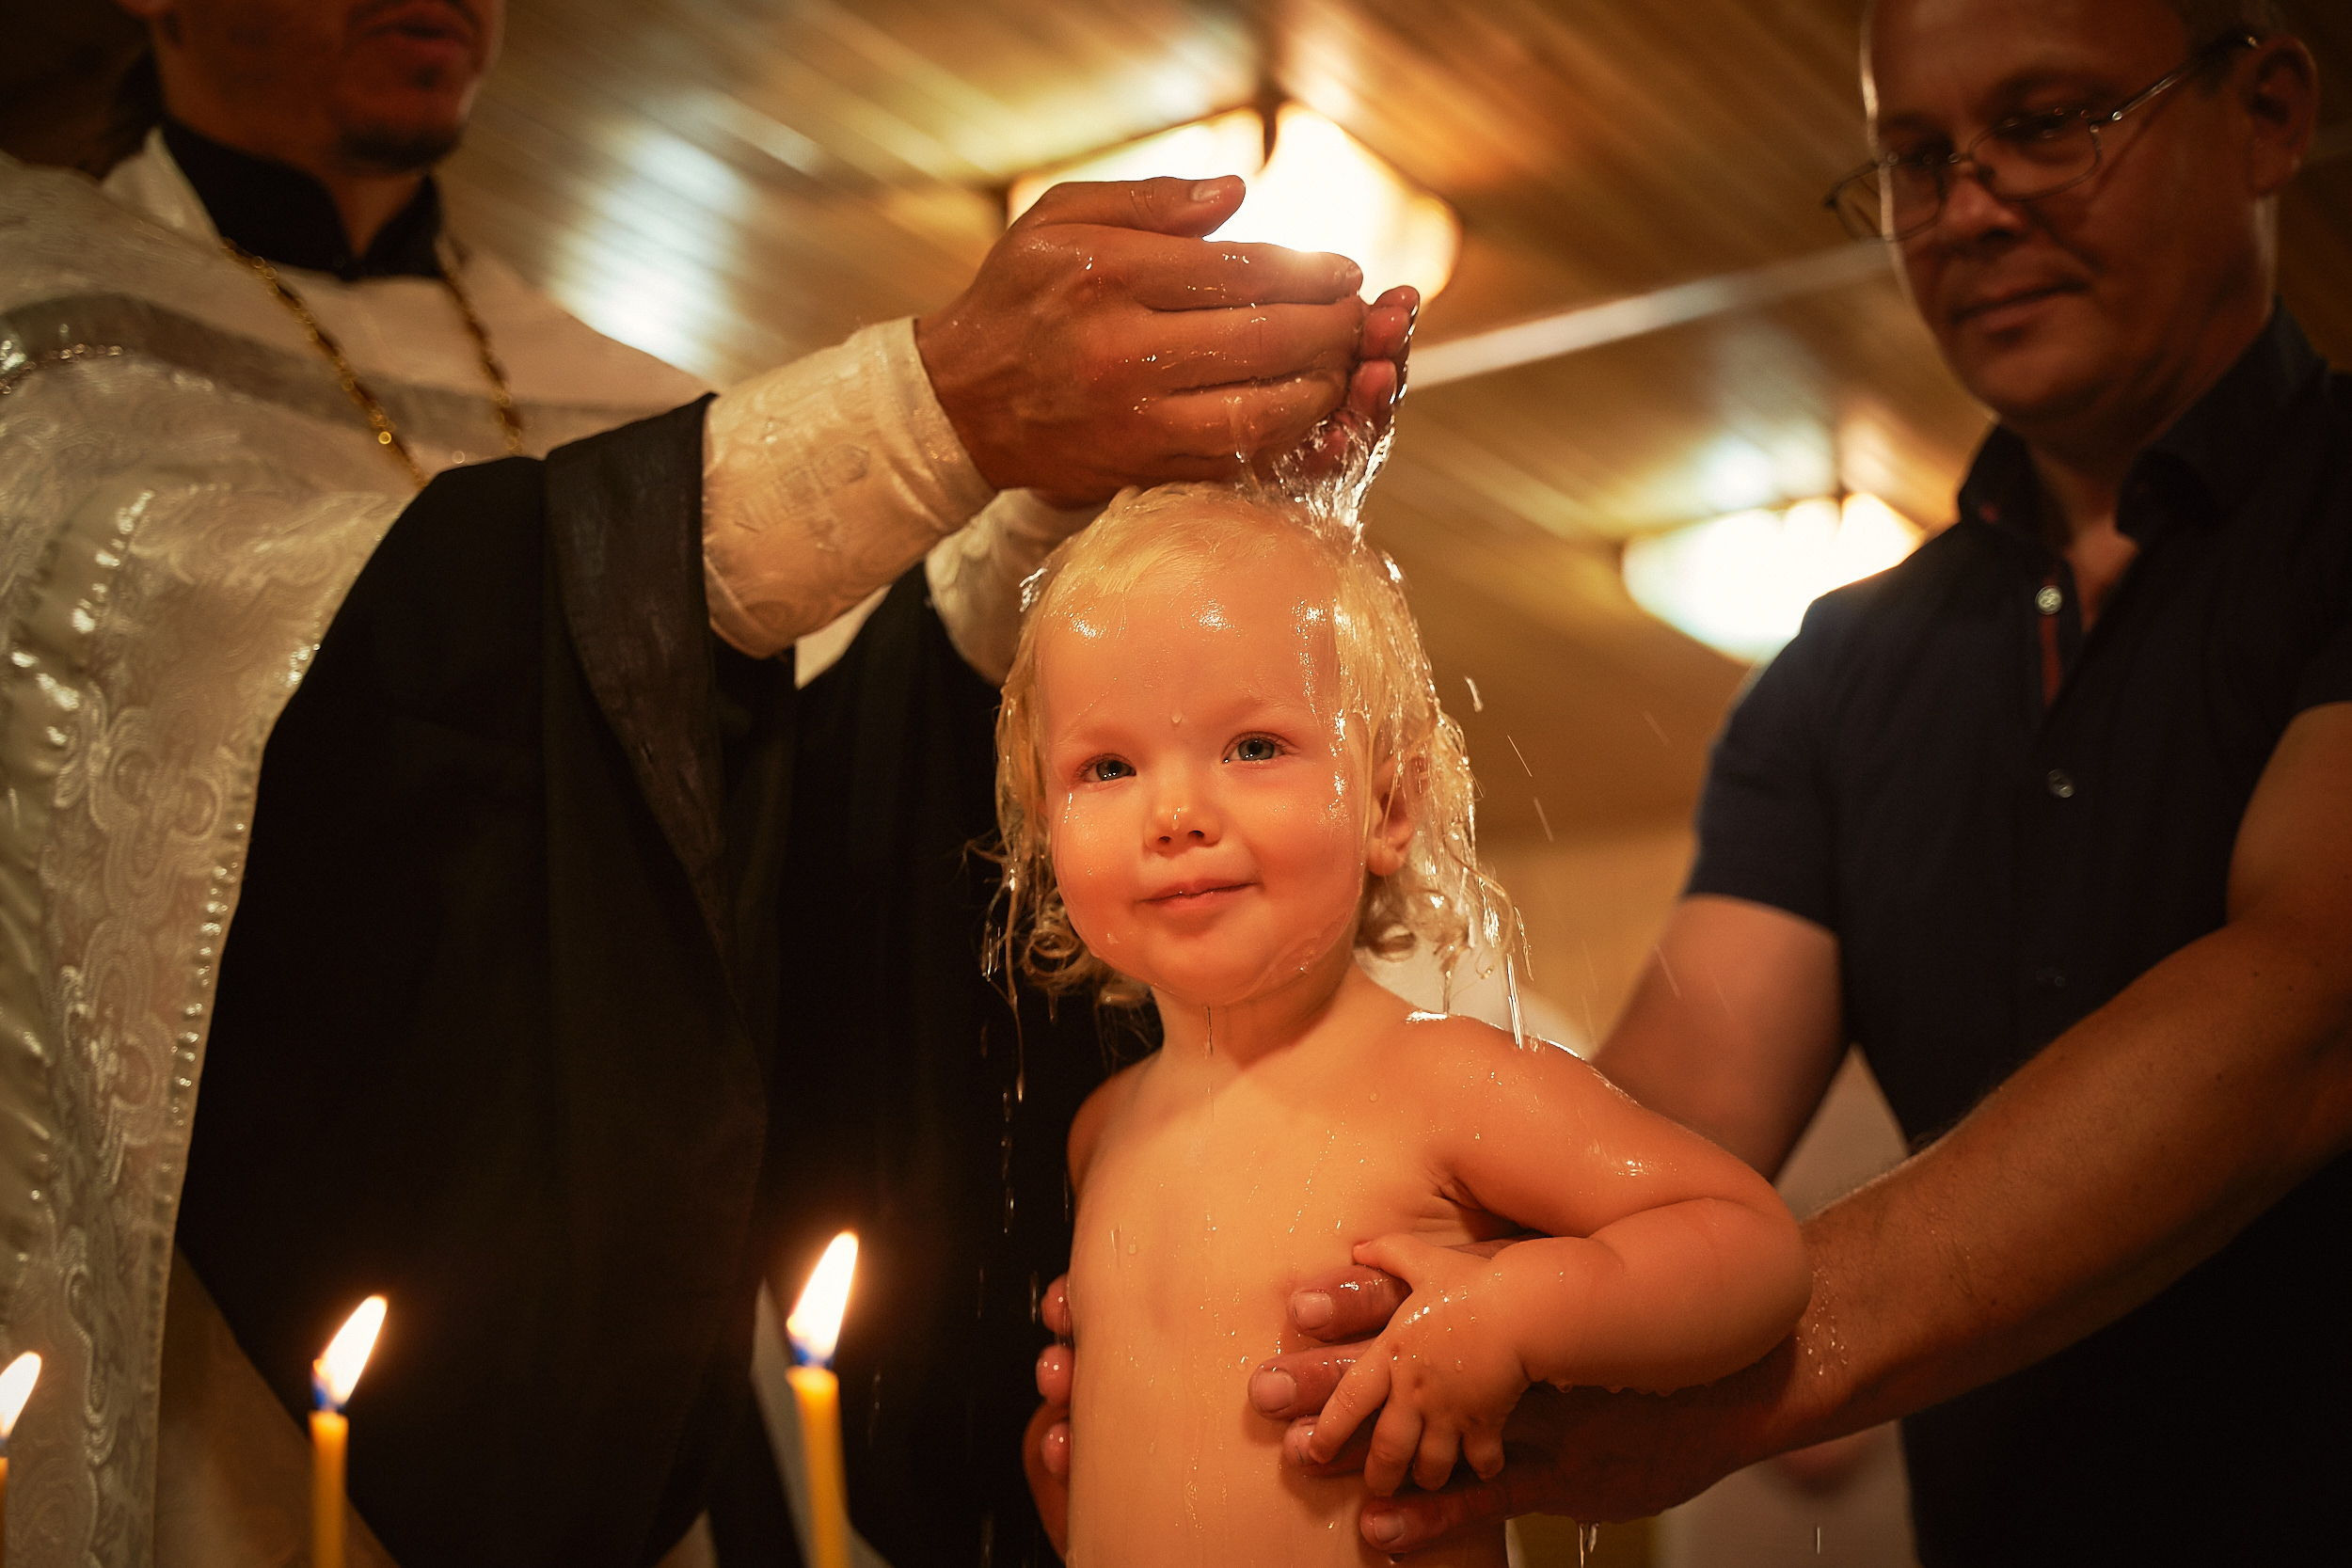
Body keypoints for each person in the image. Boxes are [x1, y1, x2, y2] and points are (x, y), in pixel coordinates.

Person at [0, 0, 1417, 1563]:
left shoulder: (600, 377)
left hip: (644, 1401)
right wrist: (925, 415)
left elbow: (801, 825)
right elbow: (316, 740)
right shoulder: (37, 316)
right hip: (234, 1392)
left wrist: (1037, 512)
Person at [1211, 0, 2352, 1560]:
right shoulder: (1838, 677)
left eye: (2049, 122)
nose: (1969, 206)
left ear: (2273, 109)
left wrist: (1717, 1376)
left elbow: (2305, 1005)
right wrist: (1280, 1314)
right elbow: (1652, 1125)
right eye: (1914, 155)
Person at [998, 482, 1809, 1567]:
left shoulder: (1445, 1080)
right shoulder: (1102, 1128)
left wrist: (1513, 1313)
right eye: (1107, 766)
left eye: (1252, 746)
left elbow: (1747, 1243)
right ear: (1045, 829)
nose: (1174, 812)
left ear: (1387, 802)